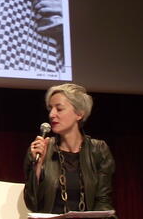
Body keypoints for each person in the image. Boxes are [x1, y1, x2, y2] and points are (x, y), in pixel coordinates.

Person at [24, 84, 115, 214]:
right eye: (50, 109)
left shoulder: (98, 150)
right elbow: (32, 204)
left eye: (59, 109)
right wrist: (38, 165)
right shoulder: (41, 149)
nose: (52, 114)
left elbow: (103, 201)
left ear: (79, 114)